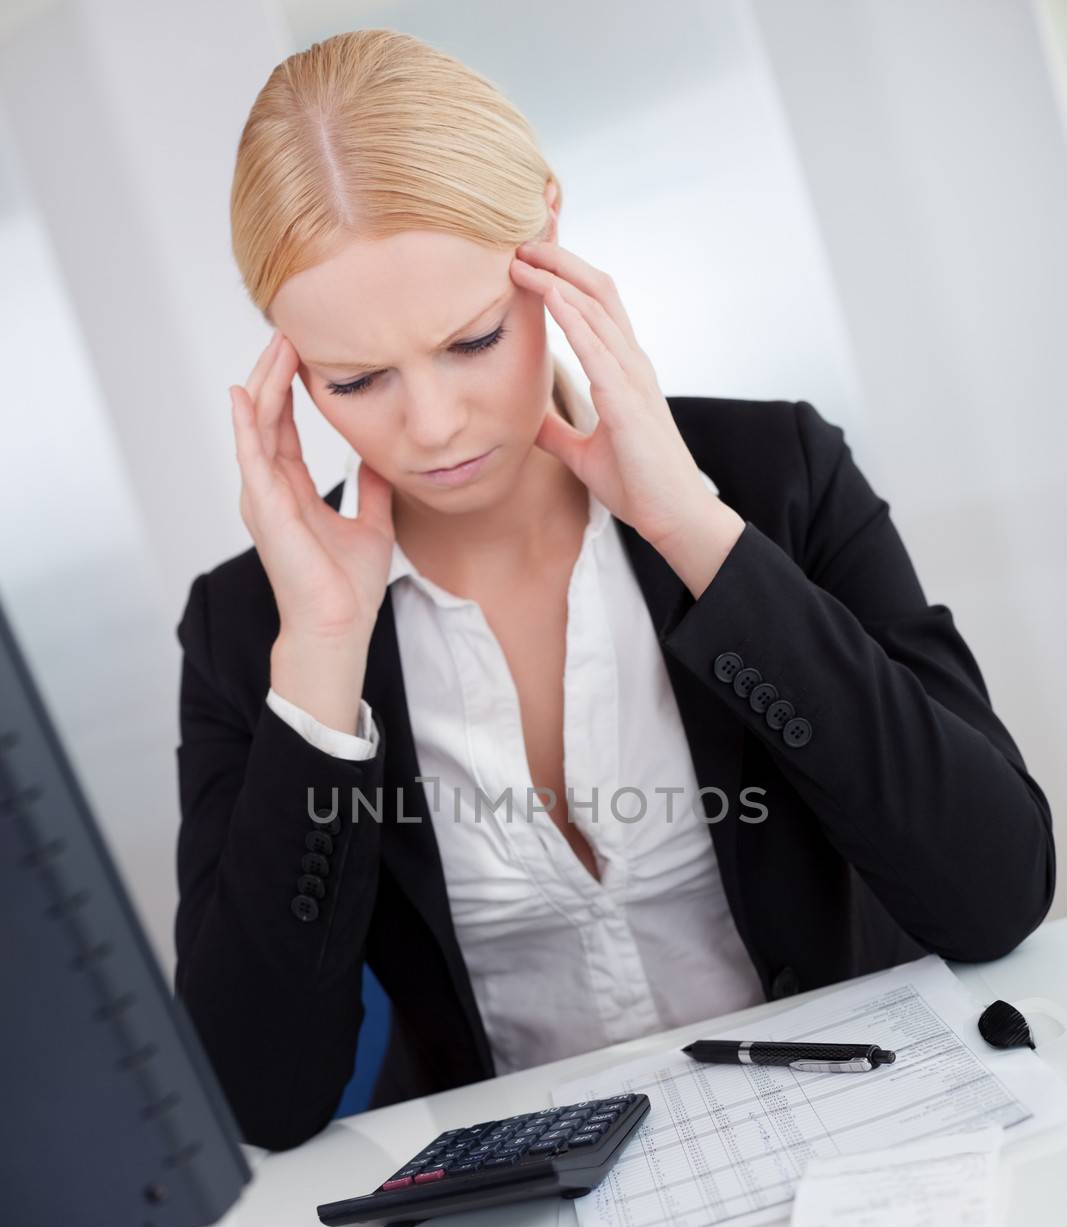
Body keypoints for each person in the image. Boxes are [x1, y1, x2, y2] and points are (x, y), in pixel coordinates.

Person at [174, 28, 1055, 1152]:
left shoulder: (772, 477)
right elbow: (258, 1098)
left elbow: (993, 894)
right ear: (286, 356)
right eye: (354, 379)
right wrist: (323, 657)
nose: (432, 426)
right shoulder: (251, 626)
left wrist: (695, 534)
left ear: (544, 228)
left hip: (868, 1143)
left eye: (473, 338)